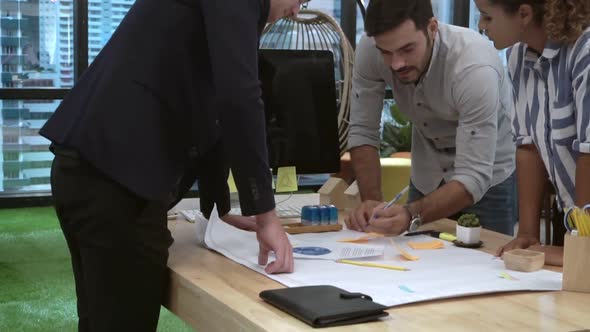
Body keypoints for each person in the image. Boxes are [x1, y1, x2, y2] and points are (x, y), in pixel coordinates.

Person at [39, 0, 303, 330]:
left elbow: (211, 108)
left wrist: (217, 208)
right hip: (117, 183)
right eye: (301, 0)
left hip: (85, 169)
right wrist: (266, 216)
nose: (297, 10)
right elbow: (238, 97)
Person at [345, 0, 517, 236]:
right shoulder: (369, 48)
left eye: (407, 49)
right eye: (386, 52)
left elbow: (474, 175)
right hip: (428, 174)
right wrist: (372, 204)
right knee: (415, 265)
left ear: (432, 28)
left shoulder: (474, 67)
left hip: (489, 179)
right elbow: (363, 131)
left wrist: (411, 214)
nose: (396, 64)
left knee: (487, 266)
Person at [474, 0, 590, 265]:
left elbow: (588, 152)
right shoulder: (517, 56)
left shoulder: (584, 52)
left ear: (524, 14)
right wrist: (527, 233)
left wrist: (584, 247)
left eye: (487, 17)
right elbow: (527, 146)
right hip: (579, 223)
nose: (481, 27)